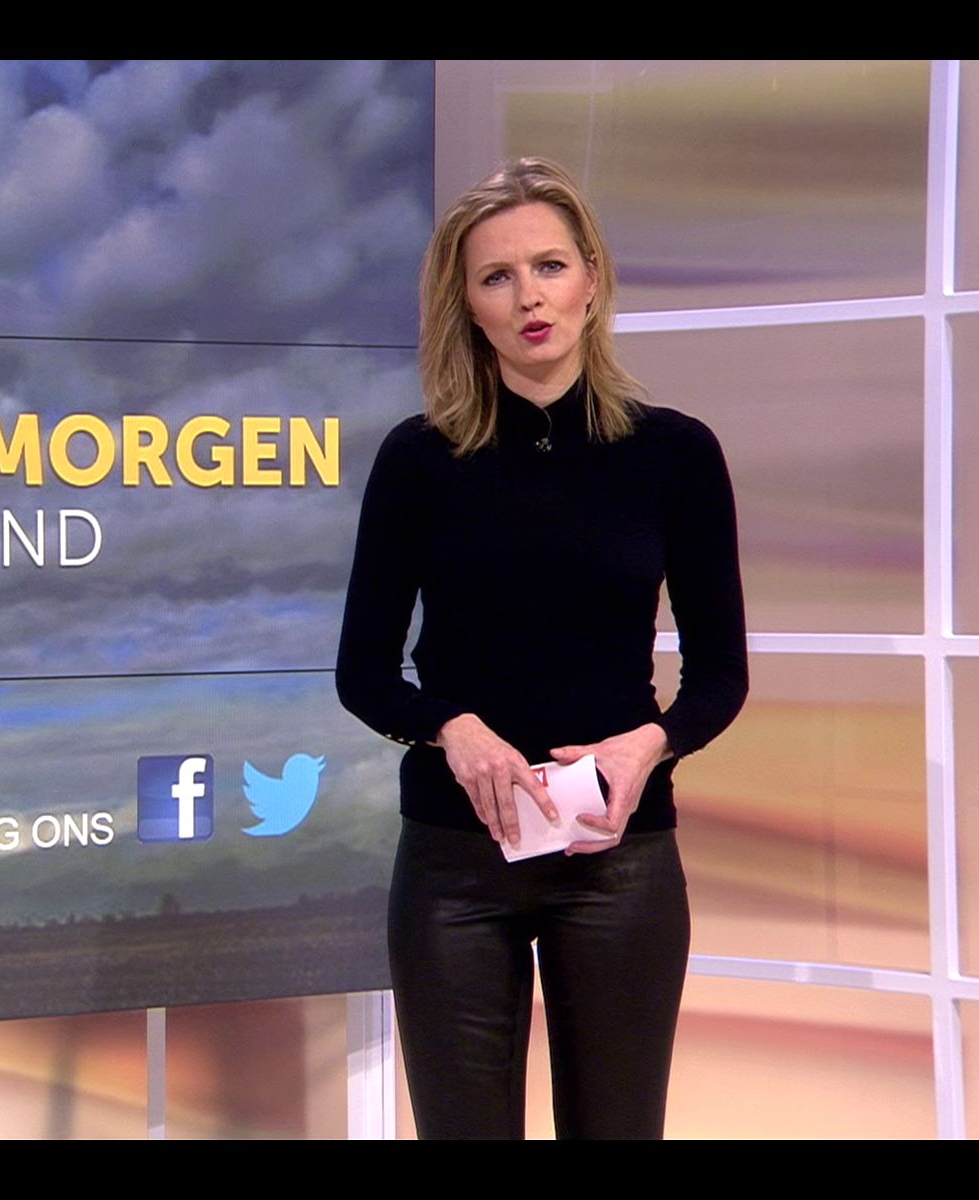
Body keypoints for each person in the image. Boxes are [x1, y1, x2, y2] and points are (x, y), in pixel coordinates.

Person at [334, 156, 748, 1139]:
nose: (529, 296)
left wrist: (650, 746)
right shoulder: (418, 460)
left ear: (591, 281)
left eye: (550, 267)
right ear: (468, 307)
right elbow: (364, 674)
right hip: (455, 868)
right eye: (498, 276)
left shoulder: (675, 453)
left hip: (617, 860)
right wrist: (453, 728)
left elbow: (720, 676)